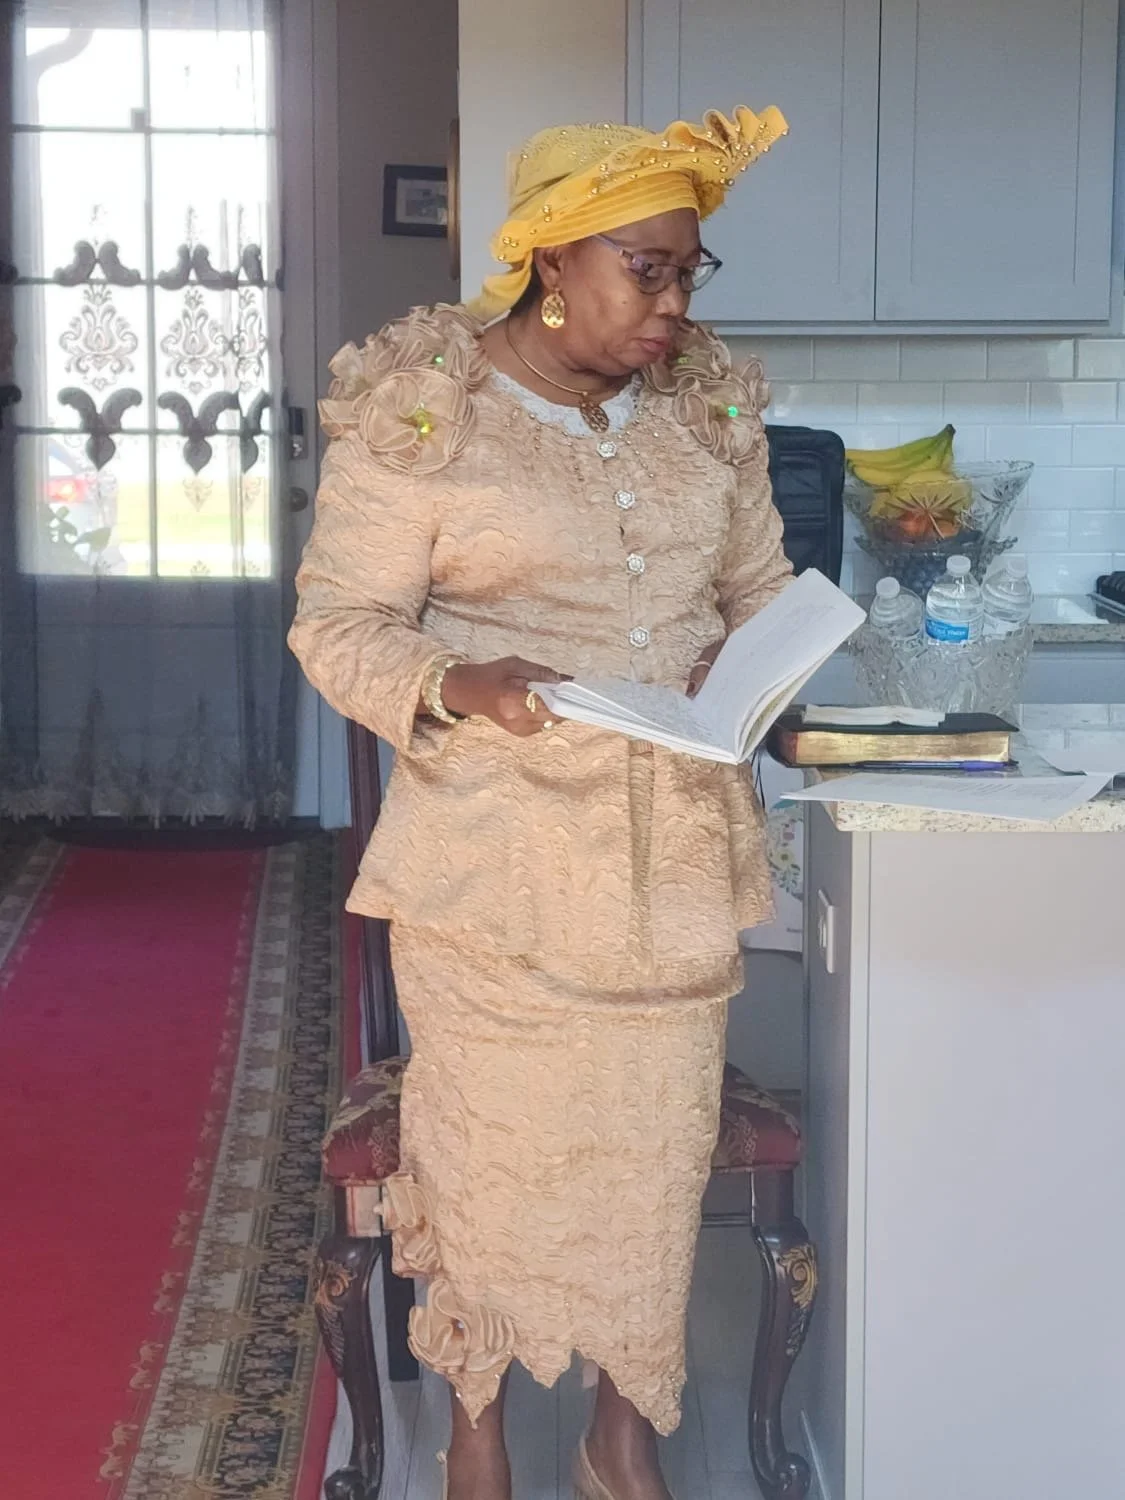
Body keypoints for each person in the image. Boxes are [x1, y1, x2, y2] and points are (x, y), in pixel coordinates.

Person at [289, 103, 790, 1500]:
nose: (676, 304)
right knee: (499, 1169)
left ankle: (626, 1436)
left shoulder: (710, 408)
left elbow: (760, 591)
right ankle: (481, 1424)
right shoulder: (426, 410)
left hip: (676, 873)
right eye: (650, 269)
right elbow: (339, 627)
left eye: (694, 272)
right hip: (493, 881)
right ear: (553, 261)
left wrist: (759, 671)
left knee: (650, 1164)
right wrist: (462, 683)